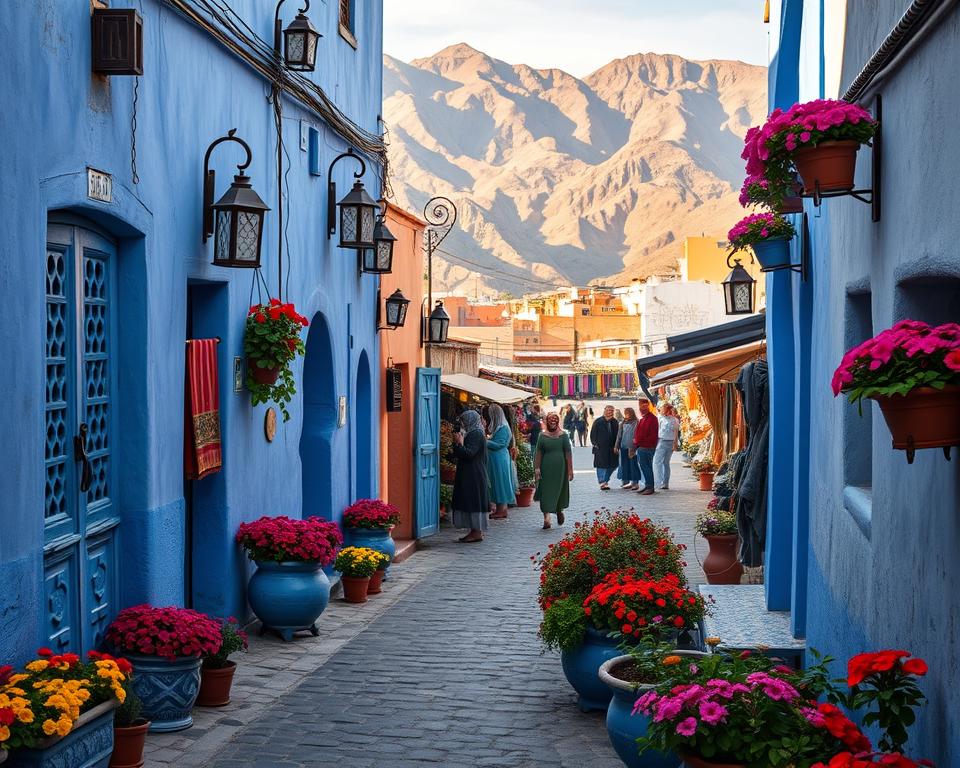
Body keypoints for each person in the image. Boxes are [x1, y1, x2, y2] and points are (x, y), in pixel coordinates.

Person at [451, 410, 489, 542]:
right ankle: (474, 531)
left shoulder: (476, 434)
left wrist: (460, 443)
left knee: (473, 500)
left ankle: (476, 531)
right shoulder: (473, 433)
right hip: (470, 472)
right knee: (470, 499)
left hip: (473, 474)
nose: (461, 423)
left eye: (463, 420)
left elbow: (468, 454)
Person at [534, 412, 573, 529]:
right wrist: (537, 468)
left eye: (555, 420)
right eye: (550, 420)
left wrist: (570, 470)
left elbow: (568, 453)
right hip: (546, 468)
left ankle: (559, 510)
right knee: (545, 491)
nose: (553, 422)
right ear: (546, 421)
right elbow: (538, 453)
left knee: (559, 490)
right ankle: (547, 518)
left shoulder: (563, 435)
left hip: (560, 469)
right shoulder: (542, 436)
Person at [485, 404, 514, 519]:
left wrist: (485, 441)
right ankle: (499, 508)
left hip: (499, 459)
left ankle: (502, 510)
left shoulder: (503, 428)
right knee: (497, 482)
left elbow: (500, 444)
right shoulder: (500, 427)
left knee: (500, 482)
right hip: (496, 459)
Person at [632, 398, 660, 495]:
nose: (641, 409)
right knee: (645, 468)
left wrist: (638, 442)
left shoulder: (652, 419)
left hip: (647, 447)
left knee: (647, 467)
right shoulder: (644, 418)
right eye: (640, 407)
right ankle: (648, 485)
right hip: (642, 447)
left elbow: (652, 435)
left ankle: (650, 487)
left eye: (644, 407)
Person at [590, 405, 619, 490]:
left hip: (612, 448)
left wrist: (617, 446)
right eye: (608, 410)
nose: (609, 412)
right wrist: (595, 444)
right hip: (600, 448)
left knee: (613, 465)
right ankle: (602, 482)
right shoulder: (598, 421)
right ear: (604, 411)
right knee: (601, 465)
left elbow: (618, 435)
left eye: (611, 411)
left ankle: (605, 480)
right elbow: (593, 434)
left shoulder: (615, 422)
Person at [654, 403, 681, 490]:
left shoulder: (673, 420)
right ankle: (662, 482)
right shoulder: (661, 418)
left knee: (661, 462)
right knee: (661, 462)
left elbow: (676, 433)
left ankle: (662, 482)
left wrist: (675, 444)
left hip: (666, 441)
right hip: (662, 441)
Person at [615, 407, 641, 490]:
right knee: (624, 464)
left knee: (633, 465)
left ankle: (635, 482)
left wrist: (635, 447)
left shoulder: (636, 422)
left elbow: (637, 435)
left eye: (628, 413)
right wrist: (616, 446)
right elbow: (619, 436)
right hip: (623, 446)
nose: (627, 415)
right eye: (625, 413)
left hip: (632, 448)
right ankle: (626, 481)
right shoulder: (622, 423)